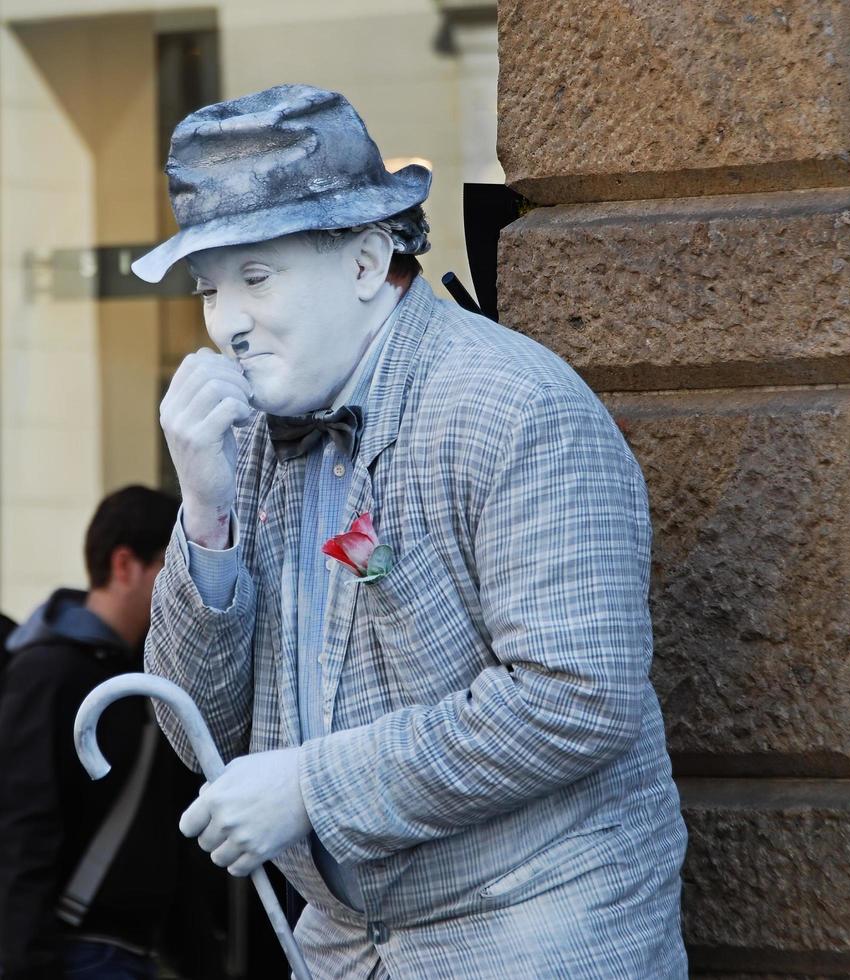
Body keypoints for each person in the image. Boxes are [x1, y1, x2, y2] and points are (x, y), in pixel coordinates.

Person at [137, 84, 688, 978]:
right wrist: (206, 518)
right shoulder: (243, 441)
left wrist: (311, 787)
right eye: (209, 289)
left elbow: (578, 697)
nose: (228, 322)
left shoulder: (515, 404)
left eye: (257, 278)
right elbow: (193, 728)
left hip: (538, 939)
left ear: (363, 262)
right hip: (347, 949)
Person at [0, 486, 220, 980]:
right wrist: (27, 963)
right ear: (125, 565)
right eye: (172, 567)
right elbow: (22, 826)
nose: (185, 588)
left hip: (134, 954)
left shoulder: (151, 675)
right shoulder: (47, 672)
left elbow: (168, 832)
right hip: (74, 955)